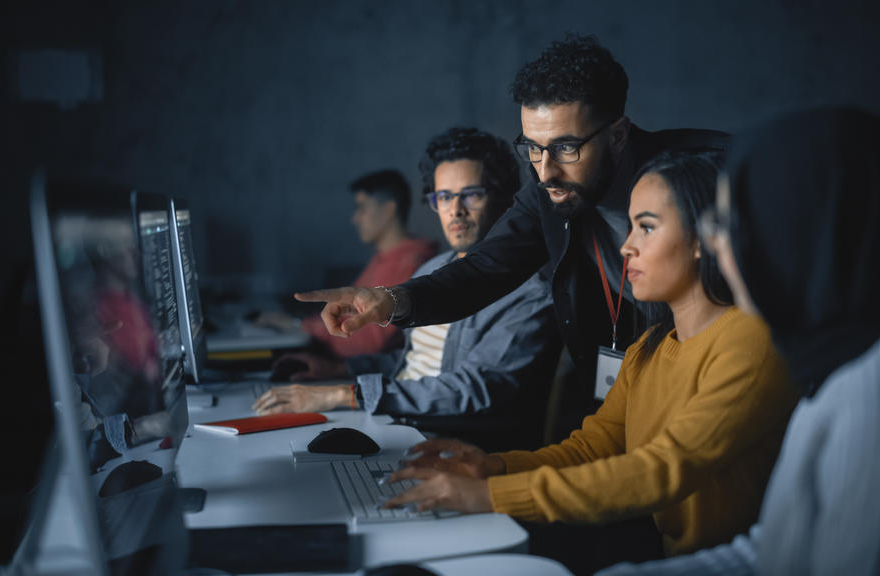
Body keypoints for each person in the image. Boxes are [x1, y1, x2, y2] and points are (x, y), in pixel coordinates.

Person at [598, 108, 880, 576]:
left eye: (729, 224)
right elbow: (775, 552)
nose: (718, 246)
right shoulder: (844, 363)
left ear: (797, 230)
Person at [381, 151, 798, 574]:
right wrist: (493, 466)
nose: (627, 246)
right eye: (632, 225)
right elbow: (593, 448)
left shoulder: (752, 342)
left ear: (703, 239)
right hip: (670, 556)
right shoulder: (650, 345)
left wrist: (491, 496)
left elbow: (661, 469)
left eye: (647, 227)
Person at [294, 35, 728, 431]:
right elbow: (483, 270)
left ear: (618, 134)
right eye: (533, 149)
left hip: (725, 373)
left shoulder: (707, 174)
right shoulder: (548, 193)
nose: (545, 171)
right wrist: (388, 300)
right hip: (636, 386)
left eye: (565, 148)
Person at [254, 128, 561, 446]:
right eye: (443, 197)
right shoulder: (433, 271)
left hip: (445, 443)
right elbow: (414, 364)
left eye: (471, 194)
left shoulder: (531, 291)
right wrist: (337, 369)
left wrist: (343, 394)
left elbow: (475, 390)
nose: (455, 210)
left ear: (503, 199)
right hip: (394, 421)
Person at [270, 169, 437, 381]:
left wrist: (298, 325)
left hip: (365, 373)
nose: (355, 218)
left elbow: (366, 343)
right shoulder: (385, 257)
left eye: (361, 208)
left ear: (388, 210)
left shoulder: (408, 262)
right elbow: (348, 315)